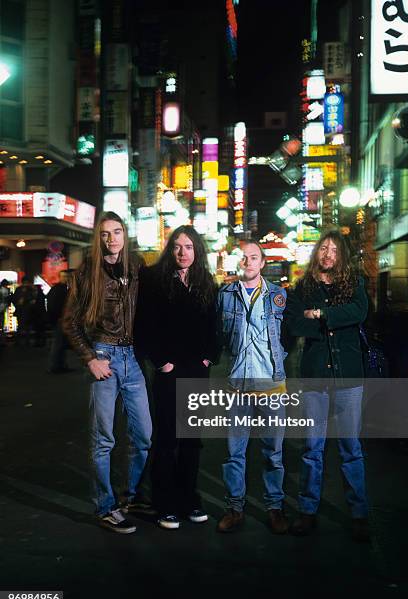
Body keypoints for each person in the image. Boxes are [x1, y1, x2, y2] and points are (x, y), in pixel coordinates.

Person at [63, 211, 152, 534]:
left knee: (143, 436)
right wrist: (90, 358)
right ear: (98, 238)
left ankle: (131, 496)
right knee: (104, 439)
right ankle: (105, 506)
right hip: (104, 355)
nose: (111, 238)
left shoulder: (138, 265)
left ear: (125, 235)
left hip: (133, 359)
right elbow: (69, 321)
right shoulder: (89, 270)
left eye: (117, 232)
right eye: (105, 234)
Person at [286, 229, 370, 542]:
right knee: (312, 447)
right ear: (316, 253)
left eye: (334, 249)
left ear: (342, 255)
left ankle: (359, 513)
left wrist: (321, 314)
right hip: (315, 378)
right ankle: (307, 511)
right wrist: (318, 317)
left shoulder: (354, 284)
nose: (328, 254)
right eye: (324, 248)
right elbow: (295, 322)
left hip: (348, 376)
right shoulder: (304, 286)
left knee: (350, 447)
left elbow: (359, 311)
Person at [134, 225, 217, 530]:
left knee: (192, 439)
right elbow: (143, 325)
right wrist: (160, 361)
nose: (183, 253)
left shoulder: (206, 282)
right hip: (169, 369)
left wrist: (209, 356)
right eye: (178, 247)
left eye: (190, 247)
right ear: (171, 249)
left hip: (198, 369)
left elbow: (213, 325)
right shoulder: (155, 280)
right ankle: (164, 503)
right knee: (167, 437)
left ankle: (188, 497)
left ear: (198, 251)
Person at [216, 240, 289, 535]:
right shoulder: (225, 296)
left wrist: (280, 359)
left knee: (273, 452)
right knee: (234, 452)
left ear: (262, 263)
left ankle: (274, 507)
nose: (248, 261)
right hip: (238, 384)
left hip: (271, 383)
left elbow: (291, 333)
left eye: (253, 257)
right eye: (243, 257)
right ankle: (235, 508)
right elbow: (217, 333)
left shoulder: (278, 295)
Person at [47, 269, 74, 373]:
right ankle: (55, 366)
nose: (66, 278)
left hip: (62, 319)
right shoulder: (59, 289)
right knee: (58, 343)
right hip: (60, 319)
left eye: (67, 277)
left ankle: (60, 365)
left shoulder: (63, 289)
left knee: (60, 343)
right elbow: (54, 306)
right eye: (64, 276)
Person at [11, 276, 46, 347]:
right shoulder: (25, 290)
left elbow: (14, 299)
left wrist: (19, 303)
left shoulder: (22, 290)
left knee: (24, 327)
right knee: (24, 327)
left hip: (26, 311)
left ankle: (23, 342)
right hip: (25, 311)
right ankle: (23, 341)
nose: (26, 284)